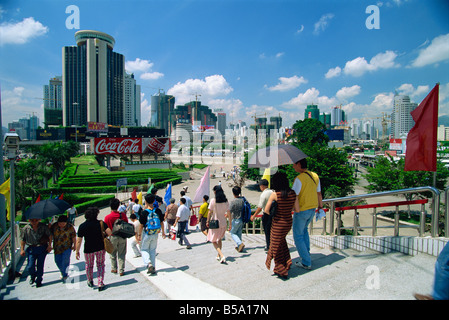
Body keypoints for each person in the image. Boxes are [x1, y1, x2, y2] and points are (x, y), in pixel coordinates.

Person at [264, 171, 297, 279]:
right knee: (281, 243)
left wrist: (276, 211)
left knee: (275, 246)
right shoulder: (293, 193)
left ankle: (281, 270)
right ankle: (287, 262)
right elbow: (297, 209)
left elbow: (267, 210)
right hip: (288, 222)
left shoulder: (275, 194)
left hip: (278, 224)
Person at [291, 158, 323, 270]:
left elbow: (293, 196)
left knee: (298, 236)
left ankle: (306, 261)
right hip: (312, 209)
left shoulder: (299, 179)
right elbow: (319, 193)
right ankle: (307, 255)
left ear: (299, 164)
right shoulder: (315, 176)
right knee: (304, 232)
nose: (293, 166)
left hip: (302, 210)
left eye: (294, 164)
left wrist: (296, 210)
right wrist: (321, 207)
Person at [76, 207, 112, 291]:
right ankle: (100, 282)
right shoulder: (101, 223)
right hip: (100, 248)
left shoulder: (82, 226)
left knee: (89, 265)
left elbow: (79, 241)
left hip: (88, 249)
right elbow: (109, 232)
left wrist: (77, 251)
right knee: (100, 264)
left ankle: (90, 280)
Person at [137, 193, 166, 275]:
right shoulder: (158, 210)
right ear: (154, 201)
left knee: (144, 249)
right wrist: (163, 232)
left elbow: (141, 225)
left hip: (147, 234)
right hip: (155, 233)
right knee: (153, 250)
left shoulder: (144, 212)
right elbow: (161, 222)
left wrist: (139, 235)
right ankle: (153, 267)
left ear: (145, 201)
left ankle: (148, 263)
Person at [20, 218, 53, 288]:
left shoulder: (43, 226)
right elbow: (23, 239)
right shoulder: (26, 229)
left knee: (40, 265)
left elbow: (50, 235)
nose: (34, 222)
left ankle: (39, 280)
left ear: (39, 220)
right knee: (30, 266)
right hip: (32, 249)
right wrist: (22, 249)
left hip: (42, 248)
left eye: (36, 220)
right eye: (32, 220)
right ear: (29, 220)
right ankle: (33, 276)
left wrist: (50, 245)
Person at [104, 198, 129, 276]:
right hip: (122, 236)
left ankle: (114, 268)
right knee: (122, 253)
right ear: (118, 206)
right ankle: (121, 270)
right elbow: (127, 224)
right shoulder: (122, 215)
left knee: (112, 252)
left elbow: (106, 228)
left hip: (113, 236)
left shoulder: (107, 217)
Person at [207, 185, 230, 263]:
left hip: (215, 223)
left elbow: (209, 212)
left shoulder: (213, 200)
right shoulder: (226, 201)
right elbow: (229, 212)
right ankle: (218, 255)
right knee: (219, 239)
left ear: (215, 192)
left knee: (213, 240)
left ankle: (222, 255)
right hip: (223, 223)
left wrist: (207, 221)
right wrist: (230, 223)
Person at [50, 215, 76, 282]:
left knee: (65, 260)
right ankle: (62, 271)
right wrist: (49, 245)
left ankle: (65, 274)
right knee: (57, 261)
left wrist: (75, 245)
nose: (61, 225)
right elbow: (50, 235)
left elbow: (73, 236)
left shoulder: (70, 227)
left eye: (63, 223)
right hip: (57, 247)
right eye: (60, 223)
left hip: (67, 246)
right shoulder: (54, 226)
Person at [251, 179, 273, 251]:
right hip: (273, 213)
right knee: (273, 231)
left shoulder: (264, 194)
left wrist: (254, 215)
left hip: (266, 214)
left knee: (267, 231)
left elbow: (260, 207)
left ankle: (269, 246)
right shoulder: (272, 192)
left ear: (262, 186)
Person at [229, 186, 245, 252]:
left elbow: (229, 211)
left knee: (232, 233)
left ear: (233, 193)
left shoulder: (233, 201)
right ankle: (239, 247)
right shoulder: (242, 200)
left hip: (235, 219)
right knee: (239, 233)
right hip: (241, 219)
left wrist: (229, 222)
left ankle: (240, 243)